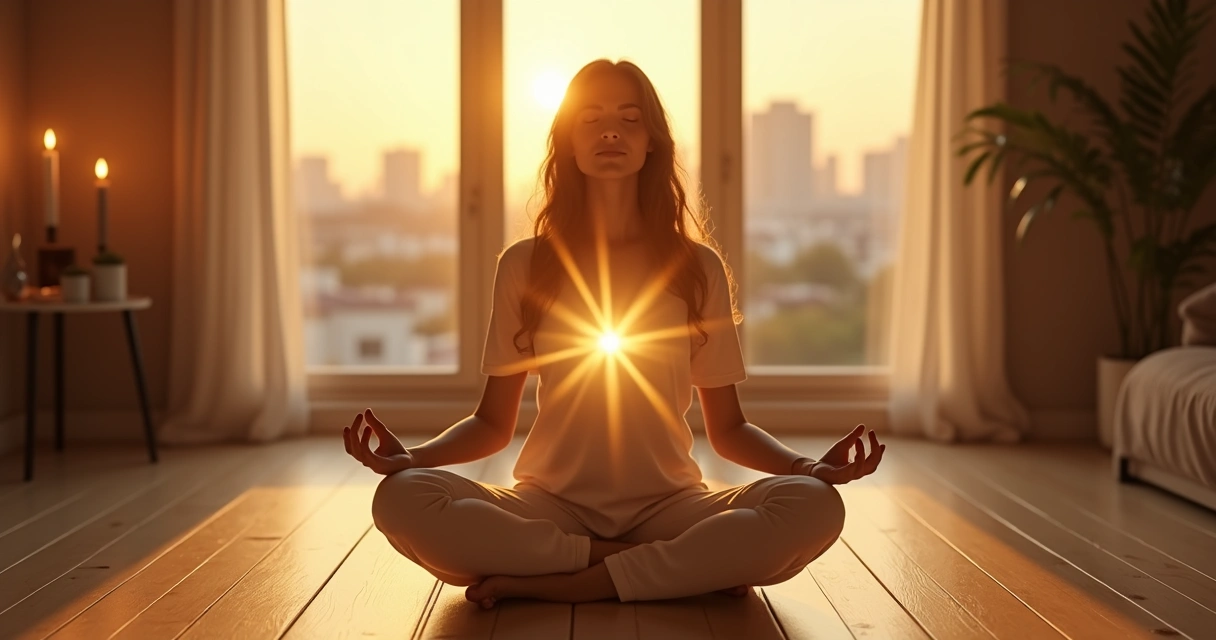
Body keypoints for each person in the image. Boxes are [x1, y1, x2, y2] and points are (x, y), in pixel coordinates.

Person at [342, 58, 884, 609]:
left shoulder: (696, 268)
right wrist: (412, 460)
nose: (610, 132)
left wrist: (808, 468)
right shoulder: (525, 265)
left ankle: (573, 580)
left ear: (652, 142)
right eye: (591, 119)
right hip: (549, 505)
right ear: (568, 143)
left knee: (815, 505)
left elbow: (729, 429)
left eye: (629, 119)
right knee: (402, 499)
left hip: (671, 507)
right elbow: (491, 424)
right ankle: (649, 566)